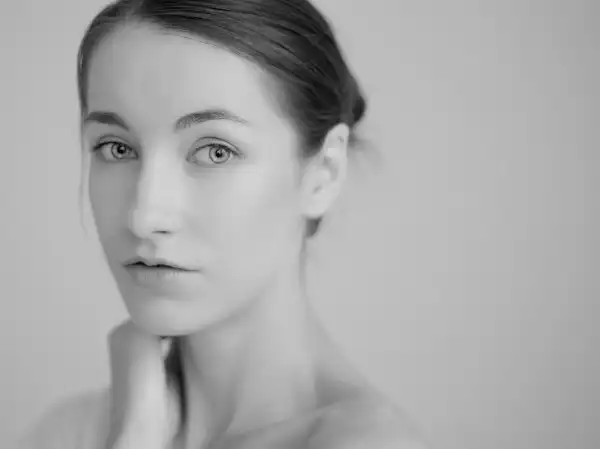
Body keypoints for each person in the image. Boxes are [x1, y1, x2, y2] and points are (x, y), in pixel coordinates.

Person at [19, 0, 427, 448]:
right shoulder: (71, 431)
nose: (144, 216)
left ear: (323, 173)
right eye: (116, 148)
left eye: (215, 151)